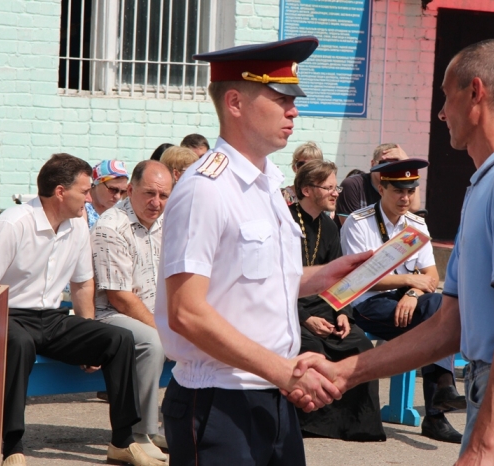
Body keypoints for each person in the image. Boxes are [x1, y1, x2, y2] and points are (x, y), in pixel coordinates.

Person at [290, 39, 494, 465]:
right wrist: (345, 372)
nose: (442, 112)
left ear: (475, 93)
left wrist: (483, 445)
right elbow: (449, 327)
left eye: (447, 96)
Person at [153, 36, 369, 466]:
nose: (294, 110)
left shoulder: (269, 182)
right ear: (235, 102)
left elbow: (253, 278)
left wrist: (325, 275)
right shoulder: (205, 189)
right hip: (219, 401)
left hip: (273, 395)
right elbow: (187, 311)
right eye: (280, 98)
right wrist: (285, 373)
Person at [0, 154, 165, 466]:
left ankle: (122, 441)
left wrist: (87, 335)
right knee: (18, 344)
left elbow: (83, 285)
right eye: (85, 191)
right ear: (61, 192)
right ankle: (12, 446)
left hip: (51, 318)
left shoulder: (76, 227)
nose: (90, 198)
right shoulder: (12, 224)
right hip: (7, 315)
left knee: (118, 340)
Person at [341, 158, 464, 444]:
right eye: (398, 191)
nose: (405, 198)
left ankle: (441, 397)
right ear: (381, 188)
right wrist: (410, 281)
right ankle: (436, 412)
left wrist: (412, 293)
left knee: (438, 307)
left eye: (410, 191)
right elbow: (361, 279)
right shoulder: (359, 224)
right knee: (437, 321)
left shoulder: (416, 224)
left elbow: (431, 275)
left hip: (408, 304)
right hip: (367, 305)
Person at [291, 159, 385, 442]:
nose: (336, 193)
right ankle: (311, 426)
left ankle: (358, 427)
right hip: (288, 307)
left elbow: (340, 280)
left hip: (325, 306)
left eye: (337, 187)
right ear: (308, 190)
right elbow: (272, 283)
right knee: (310, 346)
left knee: (359, 345)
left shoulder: (330, 228)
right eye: (329, 187)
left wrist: (343, 312)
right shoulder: (284, 224)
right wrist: (304, 318)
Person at [91, 160, 174, 462]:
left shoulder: (168, 223)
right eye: (149, 193)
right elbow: (119, 296)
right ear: (130, 190)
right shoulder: (111, 226)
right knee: (152, 343)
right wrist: (163, 328)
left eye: (164, 196)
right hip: (112, 314)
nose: (156, 203)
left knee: (199, 332)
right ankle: (139, 433)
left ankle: (171, 423)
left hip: (154, 311)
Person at [334, 143, 420, 226]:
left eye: (396, 164)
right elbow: (350, 228)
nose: (389, 168)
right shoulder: (353, 185)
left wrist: (406, 162)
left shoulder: (397, 187)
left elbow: (414, 207)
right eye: (384, 163)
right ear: (372, 164)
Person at [85, 160, 129, 228]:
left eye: (123, 191)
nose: (118, 196)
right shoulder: (81, 208)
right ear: (97, 183)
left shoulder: (122, 209)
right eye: (113, 190)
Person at [282, 141, 324, 205]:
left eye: (312, 165)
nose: (306, 169)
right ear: (294, 168)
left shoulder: (324, 196)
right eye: (301, 164)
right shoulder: (281, 196)